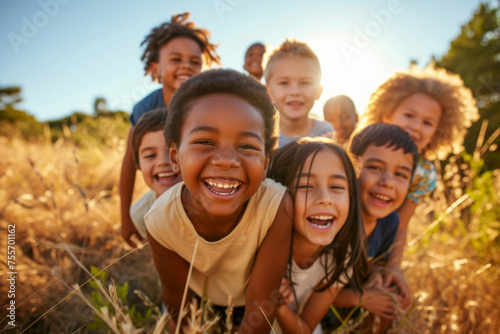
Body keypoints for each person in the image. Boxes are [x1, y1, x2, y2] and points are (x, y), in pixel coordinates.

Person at [145, 69, 293, 333]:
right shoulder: (159, 222)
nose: (226, 160)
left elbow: (260, 309)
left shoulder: (277, 207)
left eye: (247, 146)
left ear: (266, 163)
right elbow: (180, 310)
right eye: (204, 141)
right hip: (202, 306)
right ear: (175, 156)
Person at [358, 64, 479, 288]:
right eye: (409, 115)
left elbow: (401, 225)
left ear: (438, 130)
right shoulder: (364, 149)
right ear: (386, 113)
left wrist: (392, 266)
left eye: (427, 122)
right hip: (345, 232)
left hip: (377, 245)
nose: (416, 127)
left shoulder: (424, 173)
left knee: (388, 294)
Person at [120, 12, 220, 247]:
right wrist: (124, 218)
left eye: (195, 61)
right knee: (139, 215)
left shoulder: (215, 107)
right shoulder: (145, 109)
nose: (186, 65)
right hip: (167, 187)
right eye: (176, 59)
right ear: (155, 69)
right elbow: (128, 162)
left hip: (206, 189)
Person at [325, 124, 419, 333]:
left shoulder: (390, 222)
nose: (388, 183)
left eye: (401, 175)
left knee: (390, 291)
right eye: (375, 168)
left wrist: (377, 273)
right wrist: (362, 297)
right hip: (311, 311)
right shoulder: (332, 219)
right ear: (350, 167)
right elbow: (309, 290)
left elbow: (375, 262)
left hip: (351, 307)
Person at [267, 137, 367, 334]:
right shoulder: (257, 245)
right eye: (305, 186)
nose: (325, 199)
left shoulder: (341, 257)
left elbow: (304, 329)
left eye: (337, 187)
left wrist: (280, 305)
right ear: (278, 191)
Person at [264, 39, 333, 147]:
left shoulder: (325, 133)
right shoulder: (263, 136)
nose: (295, 92)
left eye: (305, 82)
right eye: (284, 83)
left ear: (318, 91)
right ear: (269, 93)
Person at [128, 108, 182, 240]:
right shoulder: (141, 214)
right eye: (150, 155)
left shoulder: (211, 200)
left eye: (174, 152)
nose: (163, 162)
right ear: (138, 165)